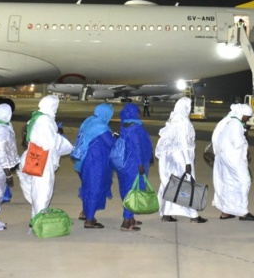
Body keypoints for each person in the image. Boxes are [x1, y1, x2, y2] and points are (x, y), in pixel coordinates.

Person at [18, 95, 73, 220]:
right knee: (43, 190)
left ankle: (37, 213)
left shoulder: (36, 116)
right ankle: (39, 219)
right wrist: (66, 144)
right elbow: (51, 143)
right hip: (42, 159)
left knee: (35, 188)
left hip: (32, 155)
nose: (56, 109)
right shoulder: (45, 121)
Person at [155, 97, 206, 223]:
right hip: (180, 158)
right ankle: (193, 215)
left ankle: (166, 214)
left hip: (167, 159)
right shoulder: (183, 121)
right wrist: (188, 162)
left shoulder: (172, 120)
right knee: (186, 185)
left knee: (170, 185)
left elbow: (162, 141)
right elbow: (184, 142)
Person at [212, 103, 254, 221]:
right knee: (244, 182)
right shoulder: (236, 125)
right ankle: (243, 212)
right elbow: (238, 144)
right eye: (247, 116)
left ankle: (226, 211)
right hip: (233, 160)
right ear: (241, 115)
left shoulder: (229, 122)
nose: (248, 119)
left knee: (229, 184)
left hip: (225, 160)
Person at [74, 103, 116, 229]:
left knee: (87, 187)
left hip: (84, 161)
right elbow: (111, 144)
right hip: (95, 163)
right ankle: (90, 220)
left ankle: (85, 212)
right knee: (94, 189)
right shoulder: (101, 127)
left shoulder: (90, 121)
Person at [115, 103, 154, 231]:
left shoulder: (124, 125)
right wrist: (140, 164)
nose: (139, 113)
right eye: (137, 111)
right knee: (134, 191)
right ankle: (126, 221)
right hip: (134, 165)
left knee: (127, 190)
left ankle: (130, 218)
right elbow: (137, 147)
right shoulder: (135, 128)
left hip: (124, 164)